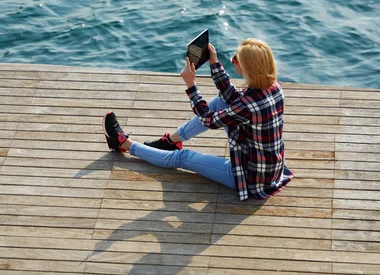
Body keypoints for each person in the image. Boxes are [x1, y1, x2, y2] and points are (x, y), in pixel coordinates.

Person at [103, 38, 293, 200]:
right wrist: (214, 63)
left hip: (250, 176)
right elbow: (231, 98)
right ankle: (170, 141)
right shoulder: (274, 87)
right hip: (267, 165)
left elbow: (208, 120)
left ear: (248, 68)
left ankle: (124, 144)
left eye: (236, 59)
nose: (233, 61)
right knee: (220, 101)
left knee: (184, 157)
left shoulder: (247, 106)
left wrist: (191, 86)